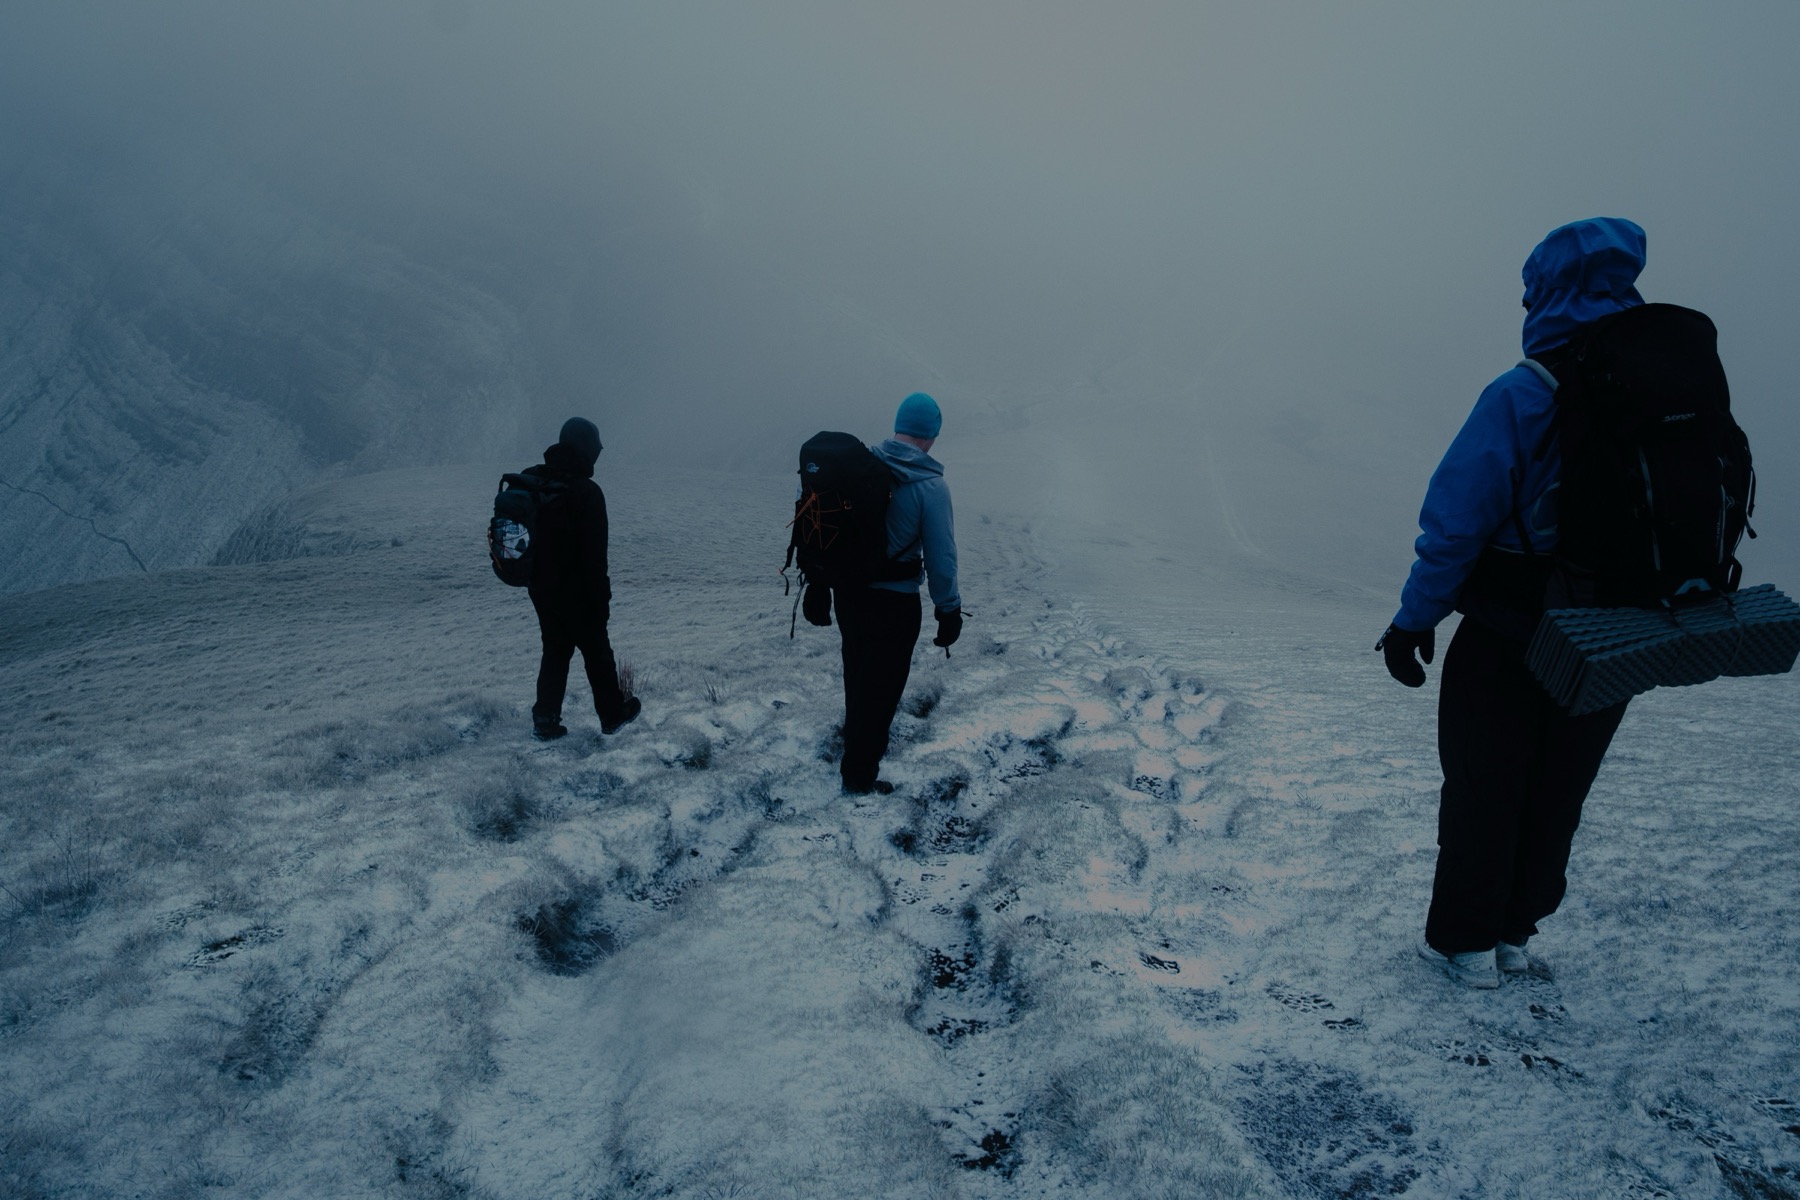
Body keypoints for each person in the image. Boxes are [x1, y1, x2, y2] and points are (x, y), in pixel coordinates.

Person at [1380, 218, 1646, 989]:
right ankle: (1514, 937)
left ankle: (1465, 945)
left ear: (1544, 290)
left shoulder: (1524, 393)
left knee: (1485, 783)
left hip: (1512, 630)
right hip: (1615, 634)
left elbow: (1456, 523)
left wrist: (1413, 621)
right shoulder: (1655, 394)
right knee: (1558, 787)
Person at [808, 392, 962, 795]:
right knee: (882, 689)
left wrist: (819, 584)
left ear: (898, 425)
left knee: (858, 676)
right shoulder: (931, 486)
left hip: (850, 595)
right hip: (895, 603)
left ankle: (854, 757)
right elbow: (941, 557)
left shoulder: (861, 466)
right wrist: (949, 610)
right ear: (930, 435)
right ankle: (858, 776)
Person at [523, 417, 641, 740]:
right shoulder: (587, 492)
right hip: (576, 591)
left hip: (541, 588)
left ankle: (545, 720)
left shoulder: (538, 482)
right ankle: (612, 715)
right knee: (597, 651)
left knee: (556, 649)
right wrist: (601, 600)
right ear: (585, 449)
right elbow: (594, 557)